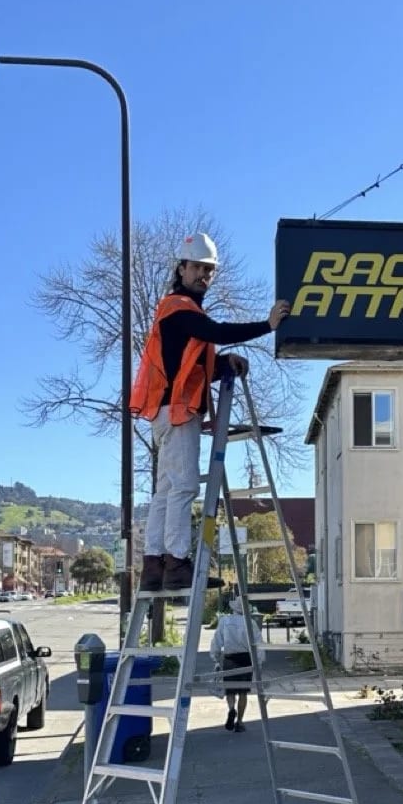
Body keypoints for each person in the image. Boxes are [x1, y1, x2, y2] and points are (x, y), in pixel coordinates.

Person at [130, 231, 290, 593]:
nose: (204, 274)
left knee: (167, 488)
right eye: (199, 267)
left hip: (168, 409)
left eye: (209, 269)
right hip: (178, 412)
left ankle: (154, 566)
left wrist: (220, 364)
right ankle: (176, 564)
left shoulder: (181, 313)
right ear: (182, 268)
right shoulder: (178, 308)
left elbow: (187, 365)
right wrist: (267, 326)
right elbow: (215, 330)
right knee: (183, 486)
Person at [210, 595, 262, 732]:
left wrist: (215, 657)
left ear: (233, 608)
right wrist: (259, 661)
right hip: (245, 659)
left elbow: (217, 640)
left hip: (229, 658)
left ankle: (232, 709)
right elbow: (258, 644)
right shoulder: (251, 623)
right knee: (243, 692)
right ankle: (240, 721)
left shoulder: (225, 621)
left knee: (230, 690)